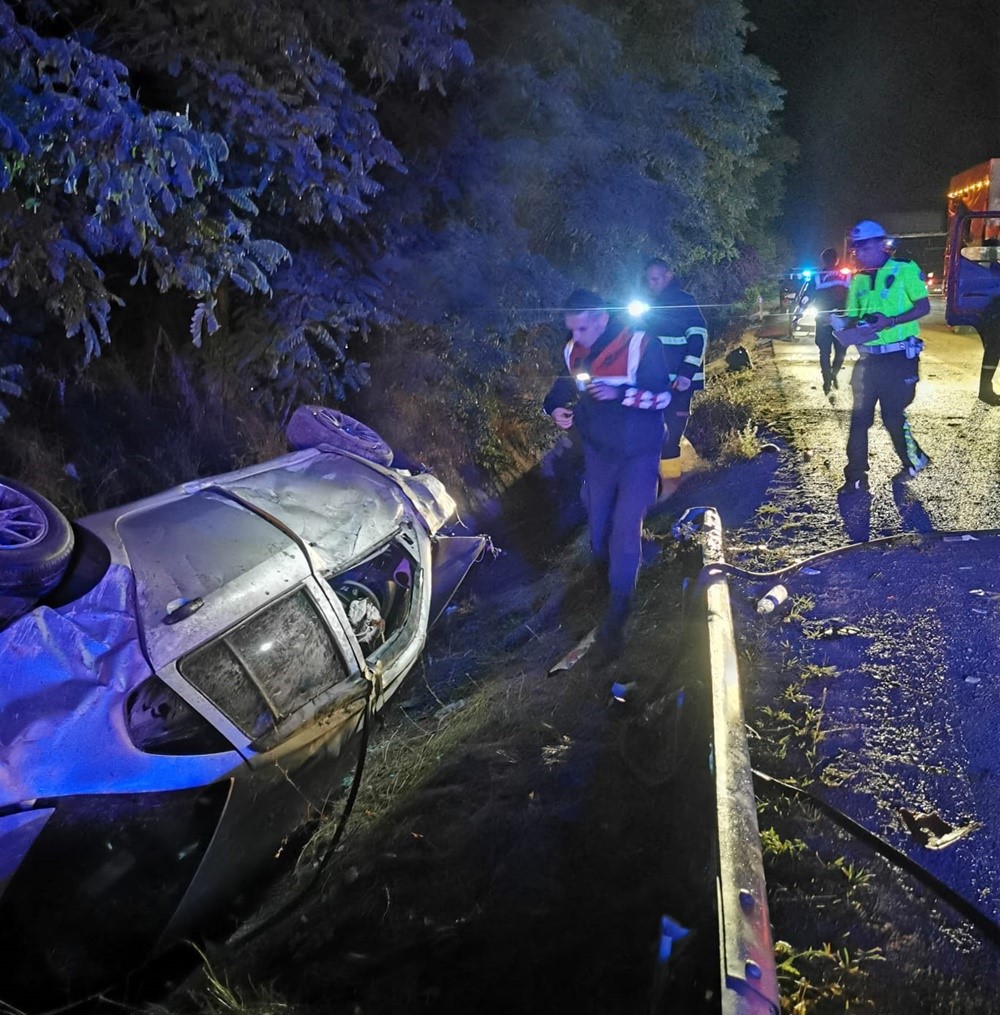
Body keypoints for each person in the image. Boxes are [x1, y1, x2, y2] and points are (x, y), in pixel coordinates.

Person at [543, 289, 672, 660]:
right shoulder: (573, 350)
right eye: (572, 329)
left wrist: (620, 395)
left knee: (625, 525)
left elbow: (662, 398)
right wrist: (555, 410)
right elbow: (561, 390)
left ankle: (618, 611)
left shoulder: (641, 344)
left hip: (640, 452)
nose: (576, 337)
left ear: (601, 318)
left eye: (582, 328)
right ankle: (608, 581)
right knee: (598, 529)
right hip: (599, 453)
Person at [834, 220, 931, 493]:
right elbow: (853, 317)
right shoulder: (859, 280)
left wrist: (891, 321)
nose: (858, 253)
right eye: (855, 249)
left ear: (880, 244)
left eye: (863, 247)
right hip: (868, 360)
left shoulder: (904, 269)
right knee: (859, 418)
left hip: (899, 358)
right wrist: (841, 326)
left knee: (892, 416)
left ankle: (914, 459)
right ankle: (855, 477)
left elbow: (922, 306)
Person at [638, 258, 708, 484]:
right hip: (655, 382)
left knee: (671, 435)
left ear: (669, 275)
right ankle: (661, 483)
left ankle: (671, 484)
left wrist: (687, 373)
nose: (651, 284)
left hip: (679, 383)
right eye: (649, 280)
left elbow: (698, 337)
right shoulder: (651, 305)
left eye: (655, 279)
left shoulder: (684, 302)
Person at [792, 247, 848, 395]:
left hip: (823, 319)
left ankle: (827, 380)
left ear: (823, 260)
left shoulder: (817, 277)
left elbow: (805, 298)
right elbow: (855, 296)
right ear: (837, 260)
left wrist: (797, 315)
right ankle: (834, 374)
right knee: (841, 351)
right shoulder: (845, 276)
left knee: (824, 352)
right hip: (841, 320)